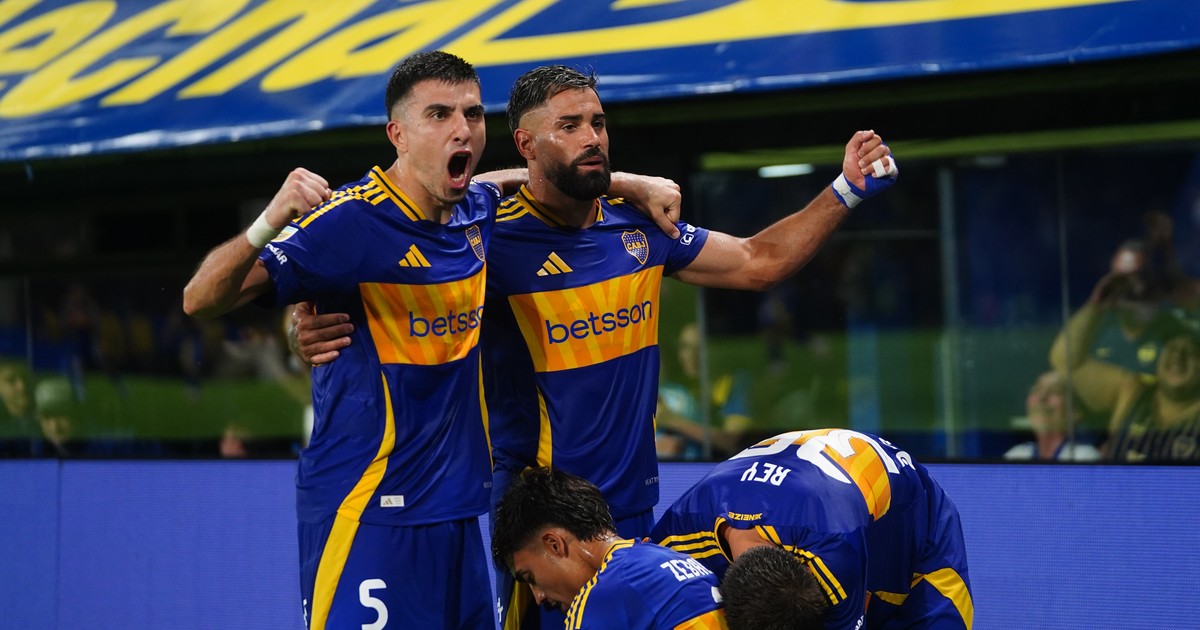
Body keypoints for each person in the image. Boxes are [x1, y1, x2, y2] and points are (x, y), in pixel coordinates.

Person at [292, 64, 897, 629]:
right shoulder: (488, 235)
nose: (592, 138)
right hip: (543, 525)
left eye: (598, 123)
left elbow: (759, 261)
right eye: (569, 126)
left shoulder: (643, 228)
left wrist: (845, 188)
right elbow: (412, 228)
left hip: (630, 512)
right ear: (526, 145)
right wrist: (308, 326)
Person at [182, 51, 678, 629]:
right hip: (369, 510)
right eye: (439, 115)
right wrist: (268, 223)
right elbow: (200, 299)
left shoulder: (476, 211)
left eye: (472, 114)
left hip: (458, 513)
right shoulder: (348, 221)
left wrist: (625, 182)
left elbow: (515, 180)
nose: (462, 128)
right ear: (398, 134)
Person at [652, 428, 974, 630]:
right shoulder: (672, 538)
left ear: (809, 574)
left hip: (914, 523)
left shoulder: (834, 548)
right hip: (824, 498)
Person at [491, 466, 728, 629]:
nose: (538, 597)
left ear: (554, 544)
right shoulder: (667, 556)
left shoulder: (601, 596)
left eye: (530, 578)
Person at [1050, 298, 1200, 462]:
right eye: (1170, 347)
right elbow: (1065, 360)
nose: (1177, 356)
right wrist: (1097, 305)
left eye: (1193, 351)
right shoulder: (1132, 391)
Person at [1003, 370, 1101, 461]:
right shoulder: (1017, 455)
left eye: (1055, 391)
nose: (1042, 397)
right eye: (1036, 389)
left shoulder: (1083, 457)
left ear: (1076, 412)